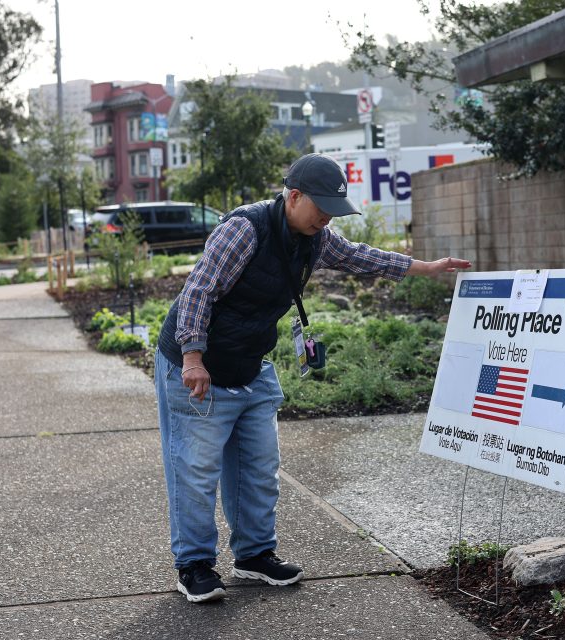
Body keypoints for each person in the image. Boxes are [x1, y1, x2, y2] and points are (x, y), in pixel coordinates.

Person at [155, 153, 471, 603]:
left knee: (259, 468)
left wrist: (425, 267)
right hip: (198, 365)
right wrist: (192, 357)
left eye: (332, 211)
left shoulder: (315, 237)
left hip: (249, 365)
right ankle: (194, 566)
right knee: (196, 470)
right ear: (294, 195)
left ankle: (254, 555)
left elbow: (362, 257)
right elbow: (198, 291)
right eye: (319, 207)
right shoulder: (244, 229)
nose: (325, 218)